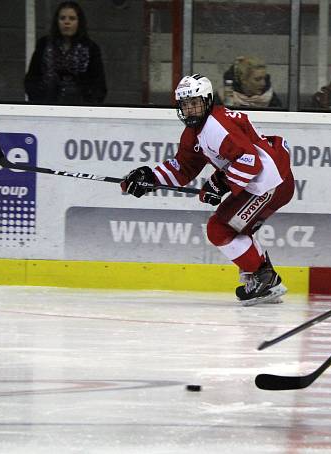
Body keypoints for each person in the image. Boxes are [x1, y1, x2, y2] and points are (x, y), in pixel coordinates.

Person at [120, 74, 294, 306]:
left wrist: (219, 184)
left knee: (220, 229)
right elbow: (183, 168)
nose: (190, 110)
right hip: (267, 183)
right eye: (185, 105)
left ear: (208, 100)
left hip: (269, 184)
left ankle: (265, 278)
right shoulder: (196, 131)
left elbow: (250, 161)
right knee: (231, 229)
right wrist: (150, 178)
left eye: (195, 103)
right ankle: (263, 278)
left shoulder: (215, 126)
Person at [24, 1, 107, 104]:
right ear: (57, 21)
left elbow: (99, 85)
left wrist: (88, 104)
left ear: (79, 22)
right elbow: (32, 79)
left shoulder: (90, 48)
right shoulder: (44, 44)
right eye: (62, 18)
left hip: (80, 108)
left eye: (72, 18)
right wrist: (40, 100)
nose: (66, 22)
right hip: (47, 105)